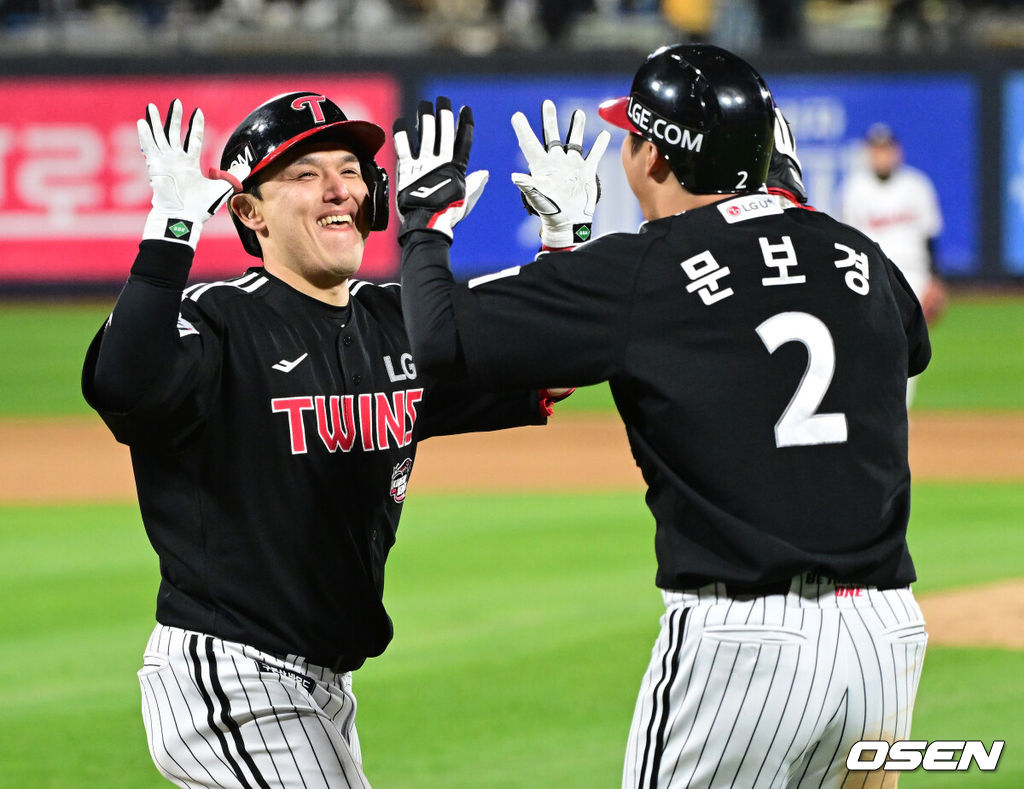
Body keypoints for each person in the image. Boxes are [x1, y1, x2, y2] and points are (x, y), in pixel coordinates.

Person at [396, 45, 931, 788]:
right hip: (884, 638)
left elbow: (441, 344)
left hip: (743, 649)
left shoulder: (643, 271)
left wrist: (426, 222)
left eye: (630, 135)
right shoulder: (856, 251)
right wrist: (778, 208)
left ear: (653, 157)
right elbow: (911, 343)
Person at [81, 92, 568, 788]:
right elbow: (125, 385)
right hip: (232, 675)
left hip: (323, 686)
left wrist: (563, 243)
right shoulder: (215, 319)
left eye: (351, 168)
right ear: (249, 212)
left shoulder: (398, 321)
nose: (341, 187)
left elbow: (547, 361)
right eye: (306, 174)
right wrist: (170, 232)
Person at [840, 121, 947, 406]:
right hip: (874, 275)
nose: (881, 155)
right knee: (875, 347)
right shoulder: (855, 189)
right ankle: (886, 417)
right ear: (867, 153)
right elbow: (847, 241)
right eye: (876, 150)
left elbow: (930, 237)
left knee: (908, 351)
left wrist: (935, 280)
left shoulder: (917, 185)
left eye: (886, 150)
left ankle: (898, 418)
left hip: (915, 275)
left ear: (896, 151)